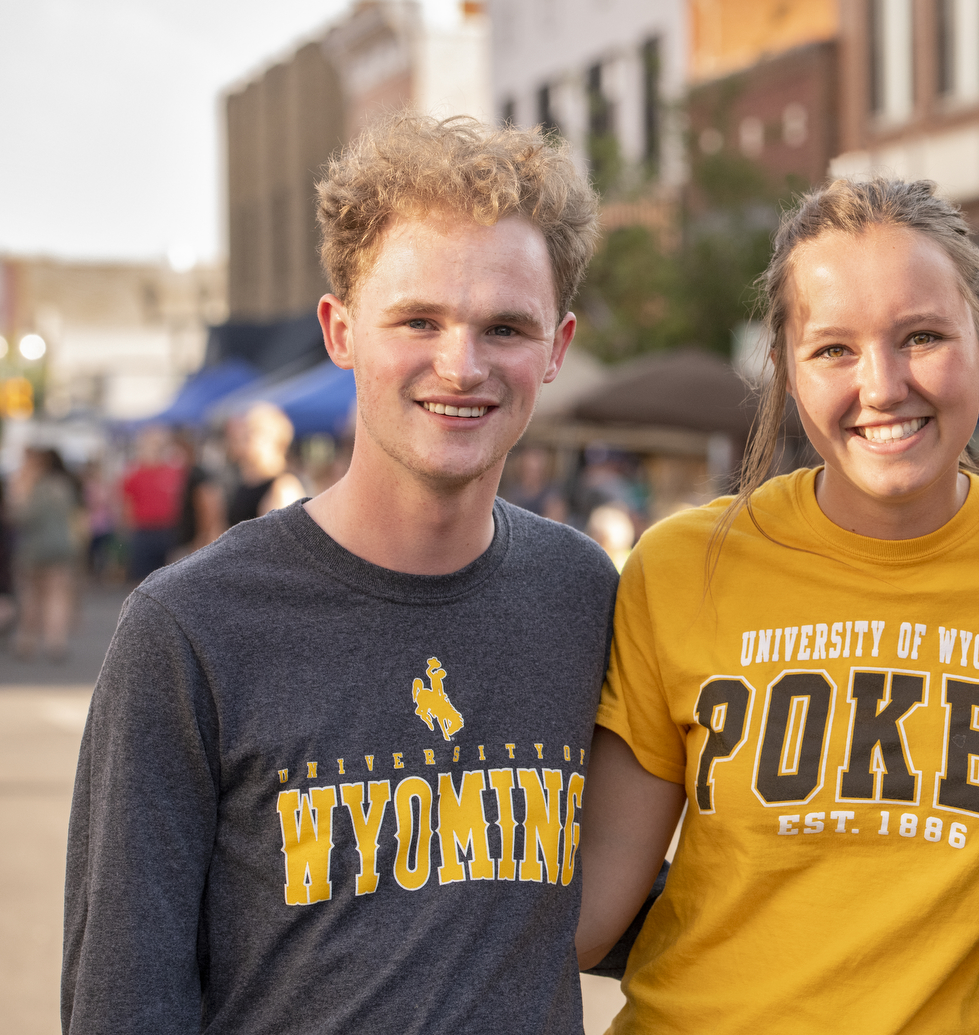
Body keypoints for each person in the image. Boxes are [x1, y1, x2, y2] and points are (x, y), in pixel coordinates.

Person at [64, 114, 617, 1033]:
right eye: (418, 320)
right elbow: (123, 999)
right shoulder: (192, 629)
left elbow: (639, 896)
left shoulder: (583, 595)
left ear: (555, 347)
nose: (462, 364)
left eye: (505, 327)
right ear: (341, 329)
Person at [575, 178, 979, 1032]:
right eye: (833, 350)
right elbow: (589, 910)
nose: (882, 386)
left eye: (921, 336)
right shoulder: (682, 567)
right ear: (782, 366)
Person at [9, 447, 81, 661]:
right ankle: (56, 641)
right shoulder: (63, 486)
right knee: (57, 596)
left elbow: (21, 517)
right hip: (62, 548)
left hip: (34, 549)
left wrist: (19, 491)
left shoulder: (33, 488)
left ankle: (27, 640)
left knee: (31, 597)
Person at [118, 425, 187, 579]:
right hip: (143, 531)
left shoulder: (175, 472)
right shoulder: (133, 475)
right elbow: (126, 505)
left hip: (168, 530)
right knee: (143, 579)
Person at [223, 401, 306, 528]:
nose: (241, 439)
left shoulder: (282, 487)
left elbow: (283, 541)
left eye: (250, 433)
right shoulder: (243, 484)